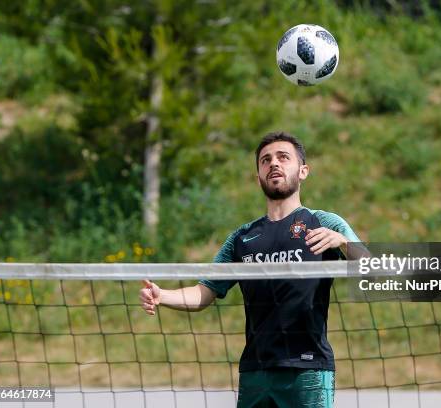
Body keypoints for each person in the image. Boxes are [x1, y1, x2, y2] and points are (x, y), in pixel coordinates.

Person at [140, 131, 362, 408]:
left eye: (283, 157)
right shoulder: (242, 238)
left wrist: (343, 243)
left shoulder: (324, 222)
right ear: (258, 176)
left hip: (307, 369)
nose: (274, 164)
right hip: (255, 372)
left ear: (303, 171)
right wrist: (163, 296)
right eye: (265, 160)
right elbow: (204, 292)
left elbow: (372, 267)